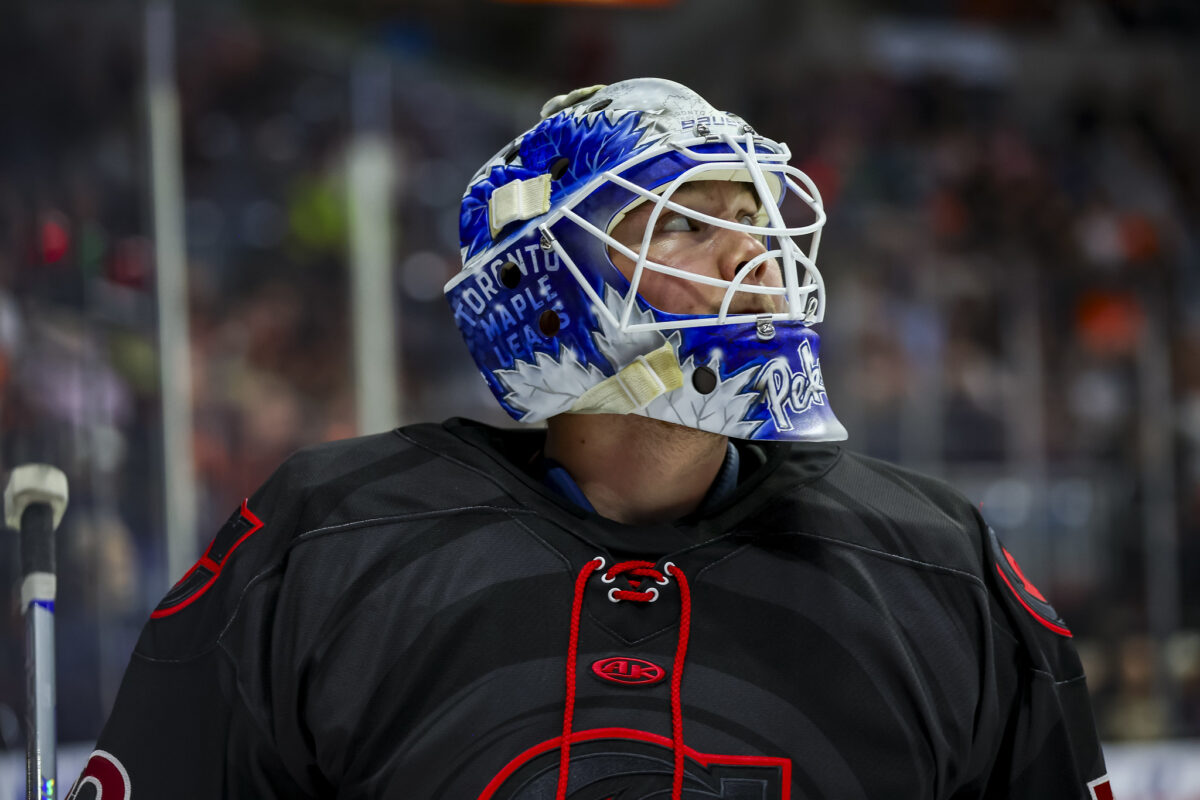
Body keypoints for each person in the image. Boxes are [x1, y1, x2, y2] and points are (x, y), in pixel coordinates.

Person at [68, 78, 1111, 800]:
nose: (756, 258)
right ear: (546, 289)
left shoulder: (938, 563)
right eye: (687, 223)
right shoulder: (330, 543)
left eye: (755, 221)